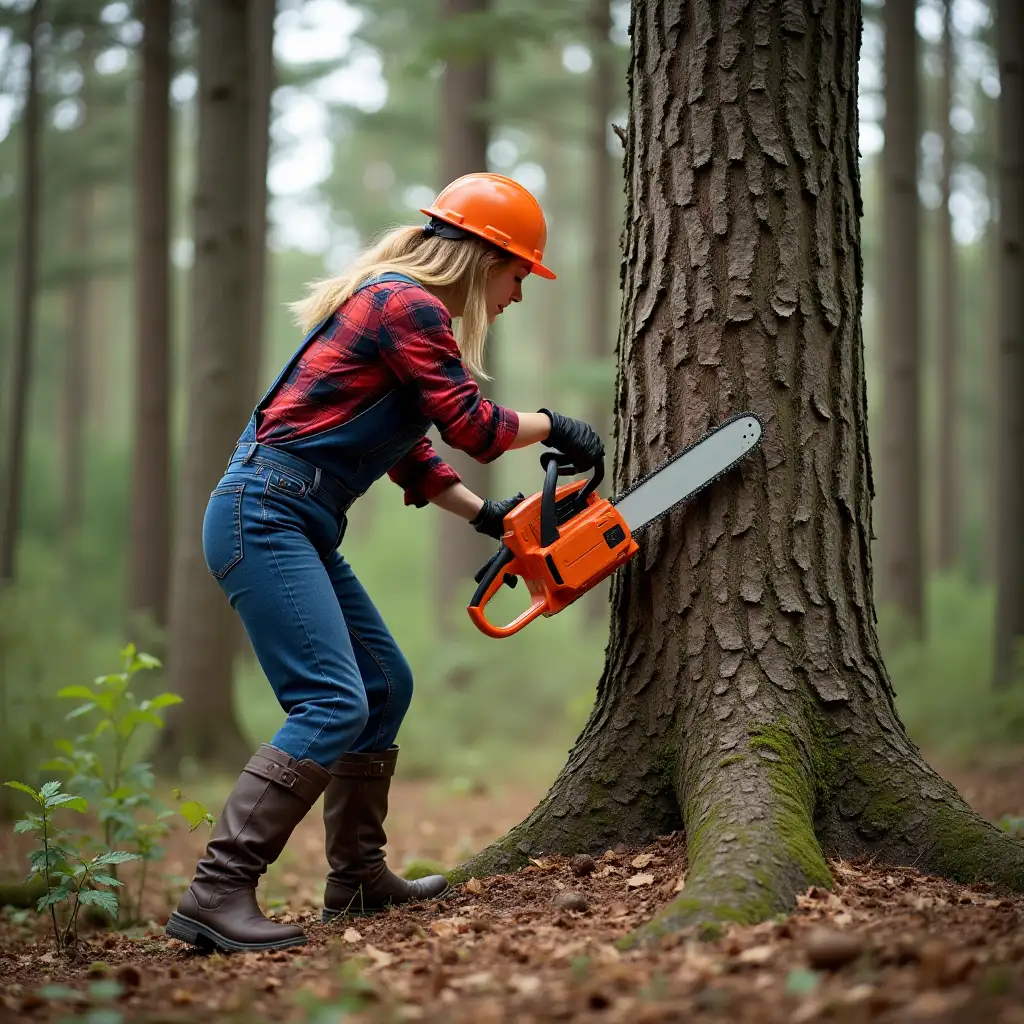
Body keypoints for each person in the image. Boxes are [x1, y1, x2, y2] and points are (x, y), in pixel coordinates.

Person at [163, 172, 605, 954]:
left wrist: (491, 516)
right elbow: (472, 425)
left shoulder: (399, 310)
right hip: (264, 515)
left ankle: (357, 879)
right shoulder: (406, 305)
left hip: (292, 518)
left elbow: (413, 452)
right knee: (332, 701)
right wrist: (553, 425)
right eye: (517, 276)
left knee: (381, 685)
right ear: (483, 256)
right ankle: (216, 892)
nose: (517, 295)